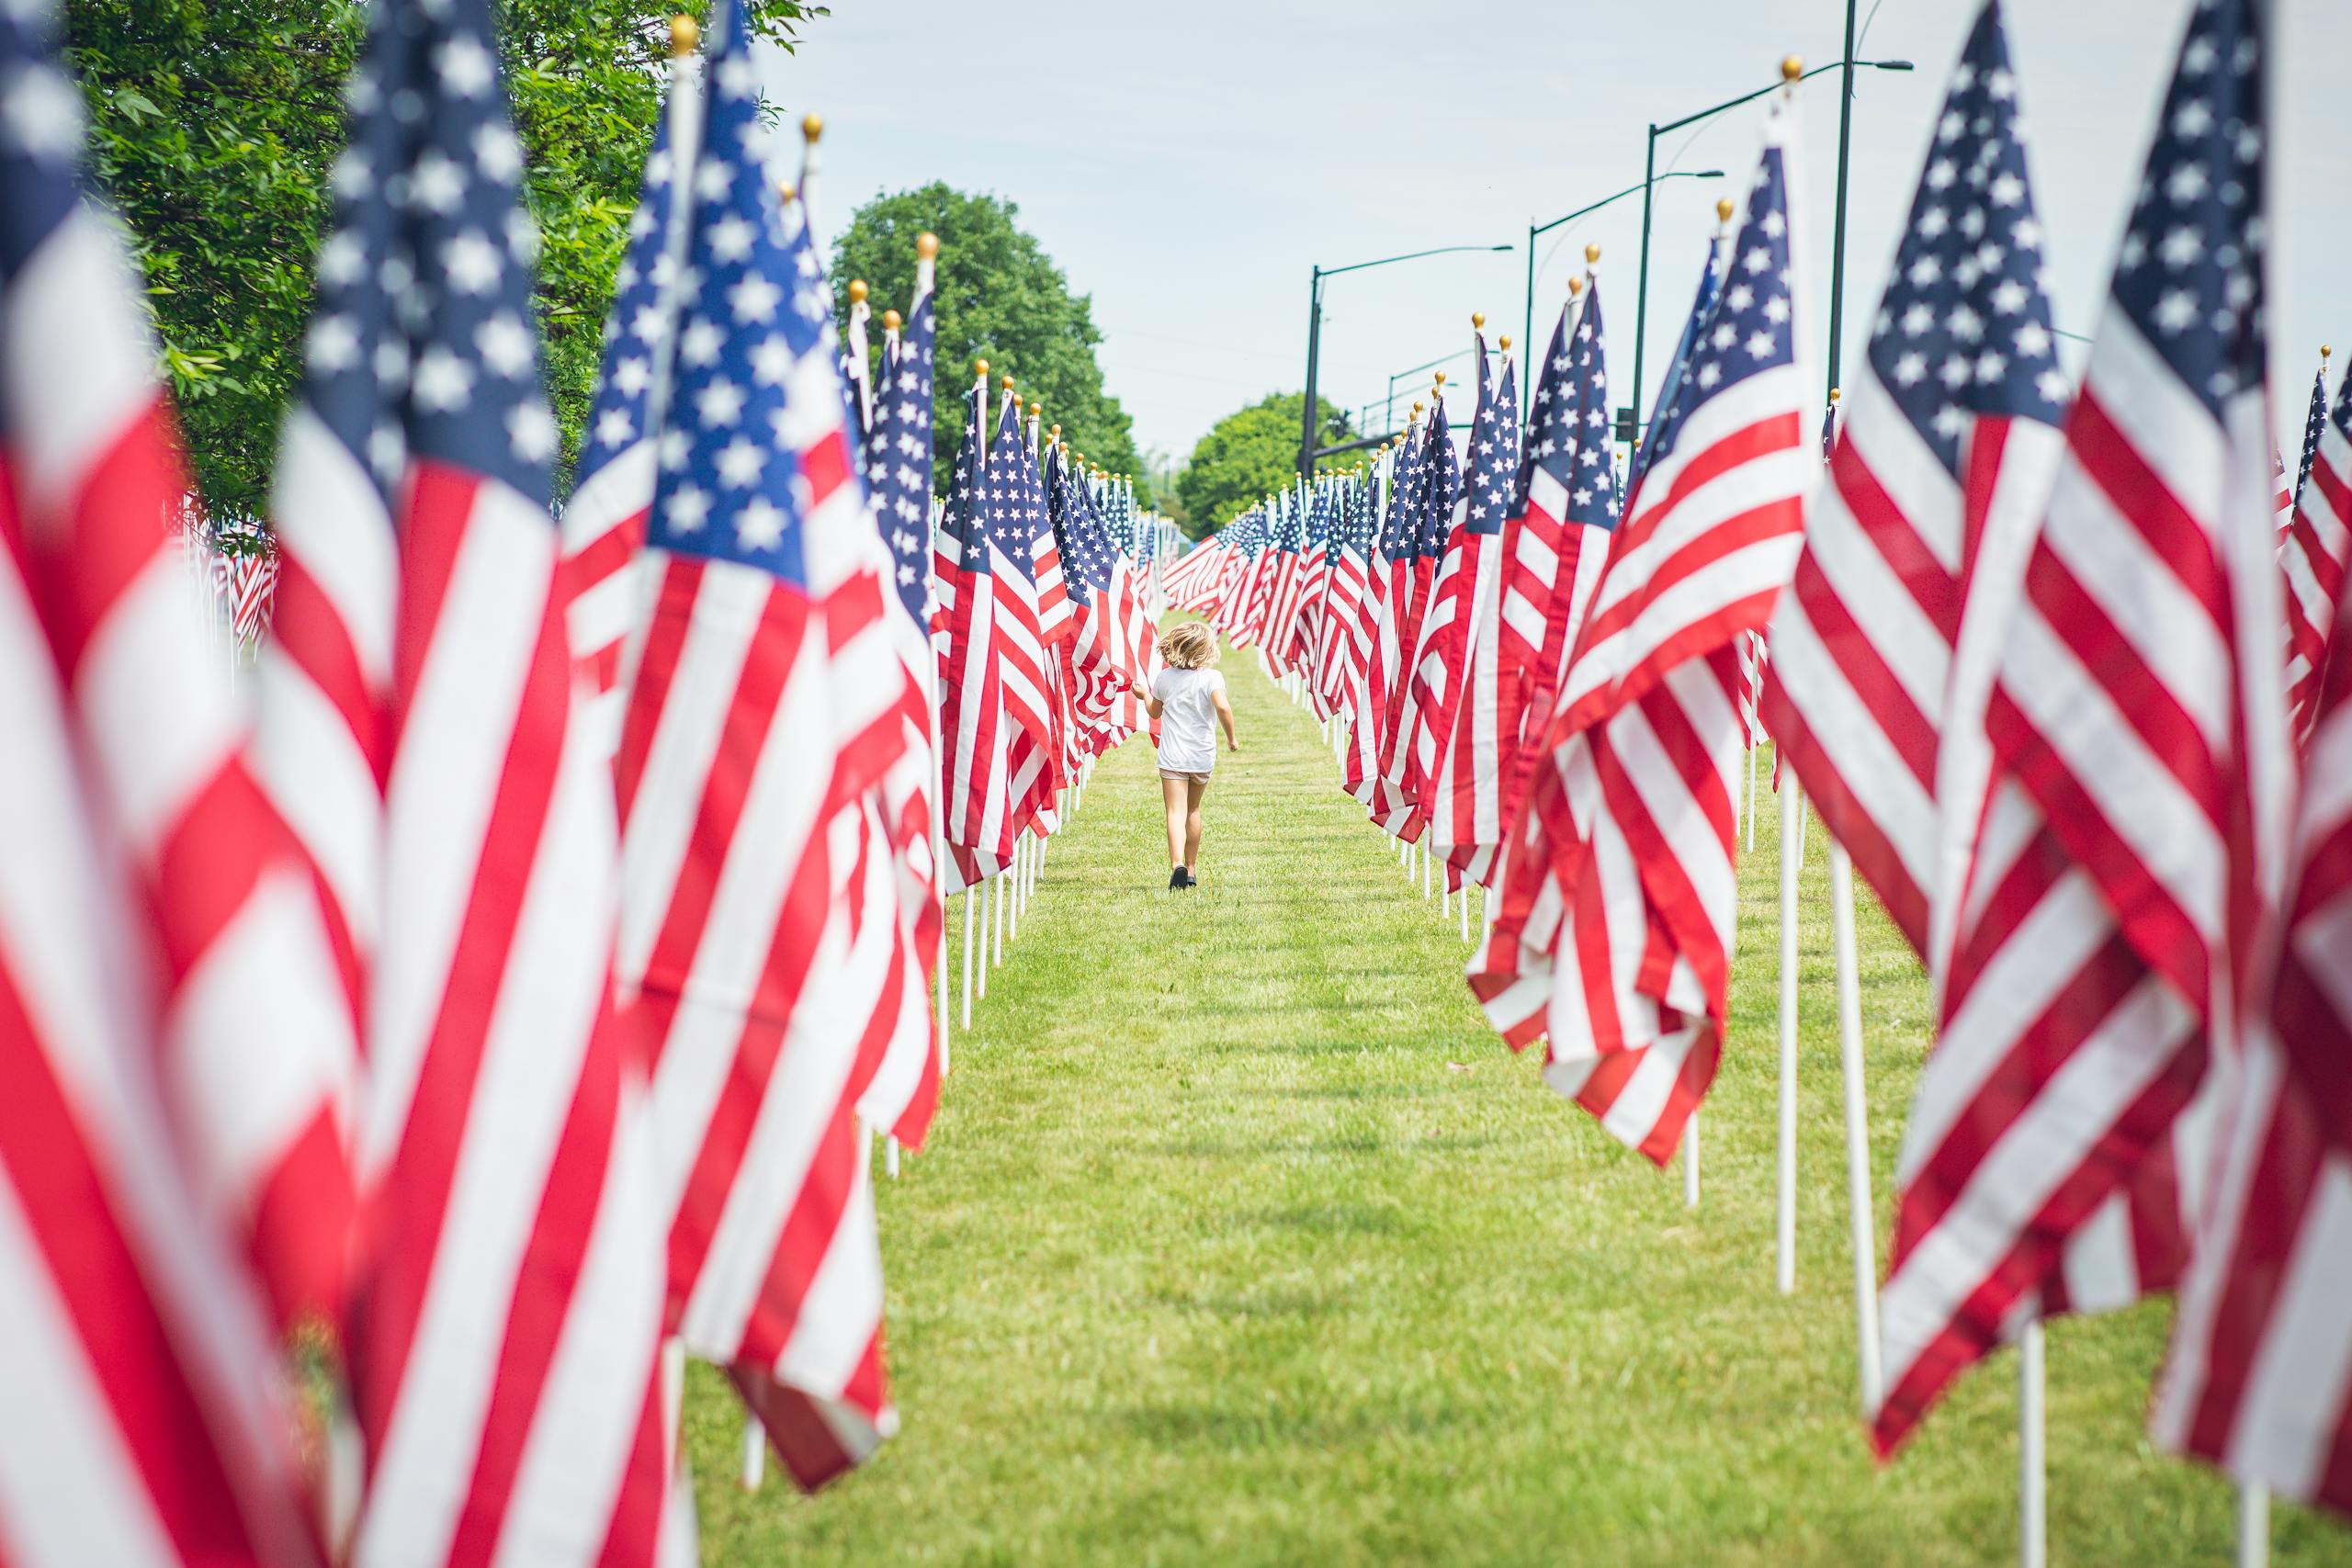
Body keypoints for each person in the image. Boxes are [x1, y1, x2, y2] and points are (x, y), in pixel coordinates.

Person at [1145, 620, 1237, 889]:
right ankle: (1193, 869)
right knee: (1193, 810)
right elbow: (1223, 707)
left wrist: (1142, 695)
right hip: (1201, 756)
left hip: (1173, 755)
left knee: (1175, 811)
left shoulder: (1165, 678)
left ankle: (1177, 866)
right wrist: (1231, 738)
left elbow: (1154, 712)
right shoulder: (1212, 678)